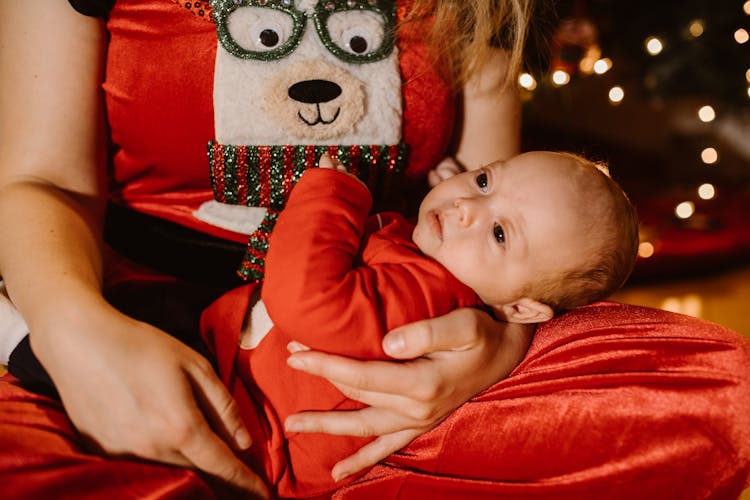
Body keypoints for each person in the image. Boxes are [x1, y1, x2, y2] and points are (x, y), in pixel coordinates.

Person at [0, 1, 747, 499]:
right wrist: (73, 331)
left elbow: (509, 232)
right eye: (476, 187)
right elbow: (37, 179)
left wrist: (496, 351)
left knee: (722, 394)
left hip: (386, 311)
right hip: (122, 302)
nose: (472, 196)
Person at [198, 150, 639, 498]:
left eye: (500, 233)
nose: (467, 205)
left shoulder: (428, 296)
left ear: (521, 310)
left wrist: (330, 195)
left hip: (241, 426)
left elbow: (305, 301)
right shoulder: (436, 263)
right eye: (484, 181)